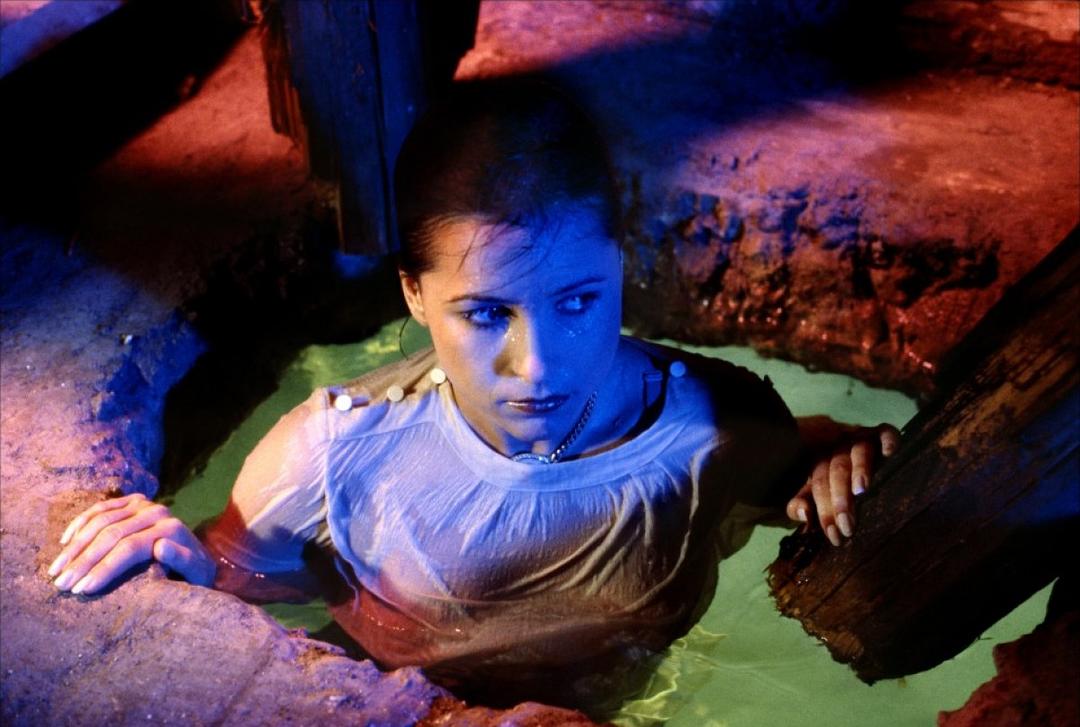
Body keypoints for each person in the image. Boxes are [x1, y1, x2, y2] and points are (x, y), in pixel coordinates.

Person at [48, 79, 900, 714]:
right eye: (487, 313)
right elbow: (232, 594)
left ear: (621, 264)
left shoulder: (714, 425)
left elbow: (808, 458)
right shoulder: (332, 454)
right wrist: (178, 561)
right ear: (414, 294)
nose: (538, 366)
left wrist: (842, 461)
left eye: (578, 300)